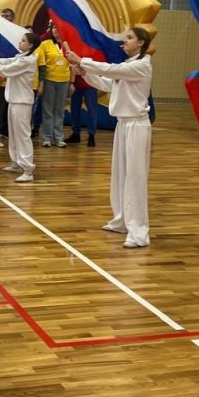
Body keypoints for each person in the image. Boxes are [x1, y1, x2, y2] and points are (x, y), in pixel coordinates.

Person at [65, 27, 153, 248]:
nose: (124, 41)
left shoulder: (142, 65)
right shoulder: (127, 67)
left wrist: (83, 61)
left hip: (137, 125)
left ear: (141, 43)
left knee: (134, 177)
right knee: (121, 174)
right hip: (123, 125)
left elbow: (111, 70)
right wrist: (86, 73)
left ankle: (139, 232)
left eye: (130, 38)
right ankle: (122, 220)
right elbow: (107, 83)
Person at [0, 31, 40, 182]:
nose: (20, 42)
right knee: (14, 134)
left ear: (30, 45)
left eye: (23, 41)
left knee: (22, 136)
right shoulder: (20, 58)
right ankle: (16, 162)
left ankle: (28, 169)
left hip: (22, 102)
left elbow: (5, 70)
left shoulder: (28, 60)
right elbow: (2, 62)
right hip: (14, 100)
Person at [36, 22, 71, 147]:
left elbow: (73, 64)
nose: (56, 30)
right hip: (49, 79)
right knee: (48, 109)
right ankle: (47, 137)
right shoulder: (45, 44)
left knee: (59, 110)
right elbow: (41, 64)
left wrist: (71, 82)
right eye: (54, 28)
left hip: (64, 80)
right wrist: (41, 82)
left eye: (58, 28)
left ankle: (59, 137)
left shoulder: (68, 44)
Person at [65, 70, 98, 147]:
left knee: (92, 111)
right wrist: (71, 83)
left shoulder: (97, 57)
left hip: (90, 86)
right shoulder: (73, 57)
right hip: (76, 84)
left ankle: (91, 136)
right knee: (75, 109)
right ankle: (76, 134)